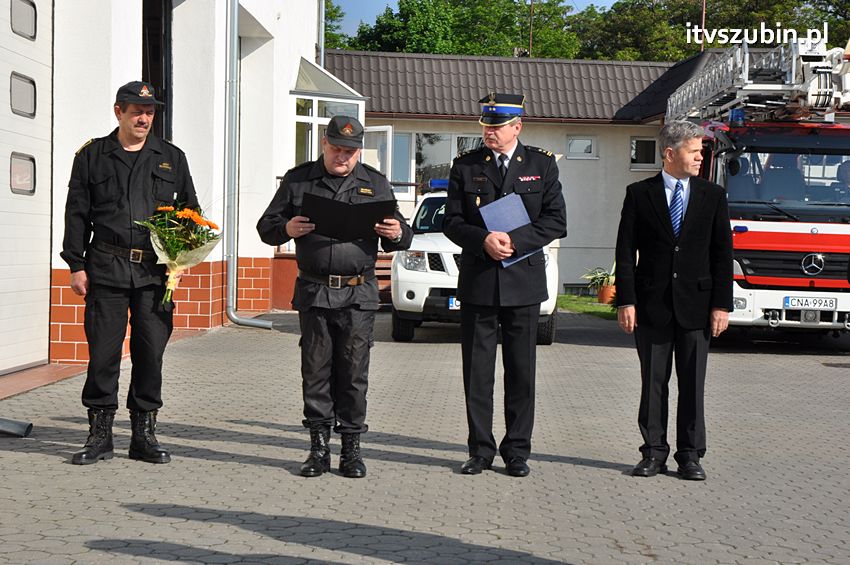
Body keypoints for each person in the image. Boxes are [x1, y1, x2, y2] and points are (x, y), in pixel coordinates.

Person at [257, 115, 412, 479]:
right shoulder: (299, 180)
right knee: (315, 370)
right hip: (314, 290)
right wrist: (286, 228)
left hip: (359, 292)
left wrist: (395, 231)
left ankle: (351, 450)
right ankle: (318, 449)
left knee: (354, 372)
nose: (343, 156)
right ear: (324, 144)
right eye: (337, 148)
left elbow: (402, 235)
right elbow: (266, 227)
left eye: (350, 151)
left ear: (359, 151)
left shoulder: (374, 182)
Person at [61, 81, 199, 465]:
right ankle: (100, 436)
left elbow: (191, 212)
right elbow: (76, 213)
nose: (144, 117)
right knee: (103, 354)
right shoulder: (93, 156)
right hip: (105, 267)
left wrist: (181, 260)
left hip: (155, 274)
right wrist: (75, 264)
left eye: (150, 112)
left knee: (150, 354)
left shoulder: (171, 157)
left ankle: (144, 435)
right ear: (118, 111)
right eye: (137, 110)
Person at [443, 93, 567, 477]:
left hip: (522, 282)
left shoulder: (541, 165)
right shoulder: (465, 166)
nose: (489, 134)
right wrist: (482, 240)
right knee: (477, 372)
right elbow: (451, 221)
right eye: (485, 127)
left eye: (496, 127)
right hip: (480, 280)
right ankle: (480, 450)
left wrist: (516, 241)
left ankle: (517, 451)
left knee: (521, 371)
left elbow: (555, 221)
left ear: (517, 127)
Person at [614, 120, 733, 481]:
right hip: (652, 308)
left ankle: (690, 456)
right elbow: (624, 252)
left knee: (692, 384)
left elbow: (721, 254)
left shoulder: (712, 196)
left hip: (697, 307)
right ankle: (653, 453)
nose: (701, 157)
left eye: (701, 151)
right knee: (653, 383)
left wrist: (721, 305)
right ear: (670, 153)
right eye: (694, 151)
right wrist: (626, 301)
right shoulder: (639, 194)